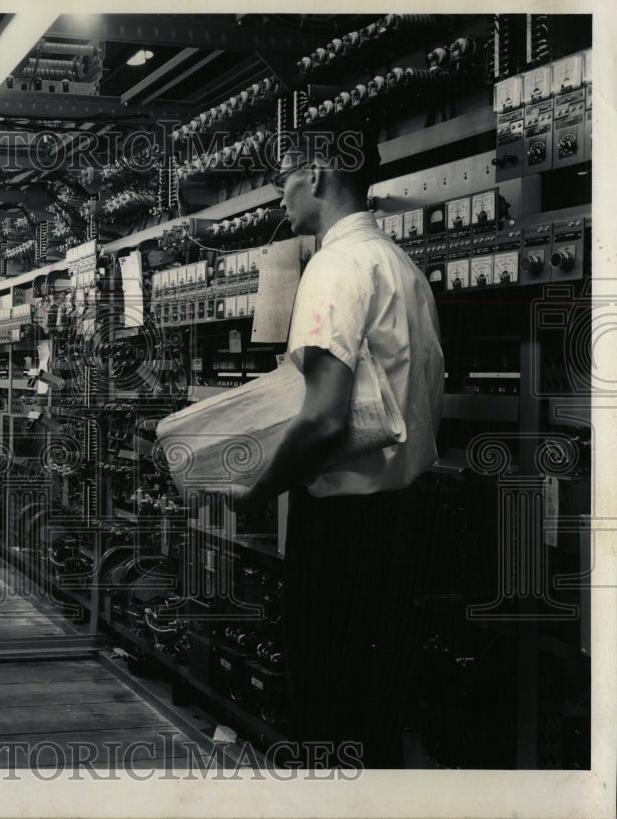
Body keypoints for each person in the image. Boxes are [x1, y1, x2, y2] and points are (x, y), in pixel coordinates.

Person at [229, 125, 444, 767]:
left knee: (326, 716)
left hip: (345, 531)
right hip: (405, 519)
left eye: (283, 176)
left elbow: (323, 421)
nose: (279, 194)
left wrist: (255, 488)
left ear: (317, 173)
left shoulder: (333, 266)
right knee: (375, 720)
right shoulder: (401, 267)